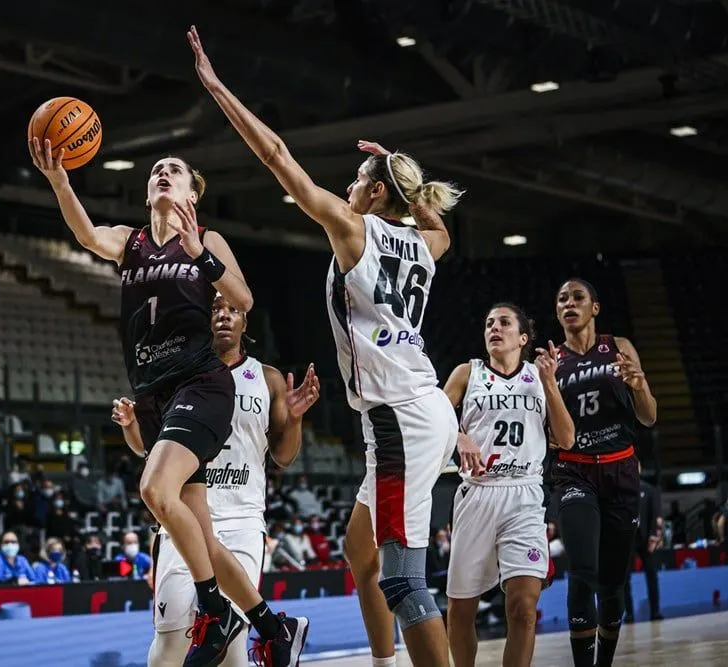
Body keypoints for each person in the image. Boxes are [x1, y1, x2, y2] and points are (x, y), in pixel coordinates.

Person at [186, 25, 462, 667]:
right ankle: (384, 661)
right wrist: (395, 168)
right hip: (415, 408)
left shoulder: (353, 227)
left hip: (399, 417)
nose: (348, 186)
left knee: (402, 579)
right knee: (357, 550)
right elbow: (436, 221)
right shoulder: (426, 244)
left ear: (374, 196)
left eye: (360, 179)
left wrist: (217, 87)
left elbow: (278, 155)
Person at [30, 124, 307, 667]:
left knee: (155, 491)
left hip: (202, 384)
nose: (162, 172)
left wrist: (203, 254)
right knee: (200, 533)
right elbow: (87, 235)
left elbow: (243, 298)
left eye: (174, 170)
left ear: (191, 195)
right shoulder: (130, 242)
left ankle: (214, 609)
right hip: (156, 393)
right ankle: (274, 627)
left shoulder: (206, 239)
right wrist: (60, 180)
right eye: (157, 169)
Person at [113, 292, 319, 666]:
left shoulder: (267, 379)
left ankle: (272, 632)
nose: (223, 316)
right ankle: (277, 631)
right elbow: (150, 451)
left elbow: (284, 456)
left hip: (241, 518)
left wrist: (295, 418)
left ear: (245, 323)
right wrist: (131, 426)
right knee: (170, 643)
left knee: (232, 643)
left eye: (233, 310)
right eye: (215, 309)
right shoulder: (175, 377)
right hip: (184, 521)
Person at [442, 304, 575, 667]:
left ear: (523, 338)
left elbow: (566, 438)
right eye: (488, 323)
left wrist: (550, 383)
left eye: (503, 322)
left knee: (523, 608)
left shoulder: (539, 375)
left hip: (525, 495)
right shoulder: (467, 373)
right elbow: (433, 419)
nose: (494, 328)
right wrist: (457, 435)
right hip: (477, 493)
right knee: (460, 610)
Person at [552, 278, 657, 667]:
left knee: (613, 583)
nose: (569, 304)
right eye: (562, 299)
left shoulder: (619, 348)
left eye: (578, 297)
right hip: (574, 473)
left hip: (620, 472)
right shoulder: (551, 362)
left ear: (594, 307)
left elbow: (649, 416)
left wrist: (639, 384)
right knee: (583, 568)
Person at [623, 461, 663, 622]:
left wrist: (655, 536)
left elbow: (656, 515)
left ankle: (655, 611)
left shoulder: (649, 490)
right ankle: (629, 613)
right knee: (625, 578)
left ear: (640, 468)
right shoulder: (620, 490)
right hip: (627, 538)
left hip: (646, 537)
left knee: (652, 575)